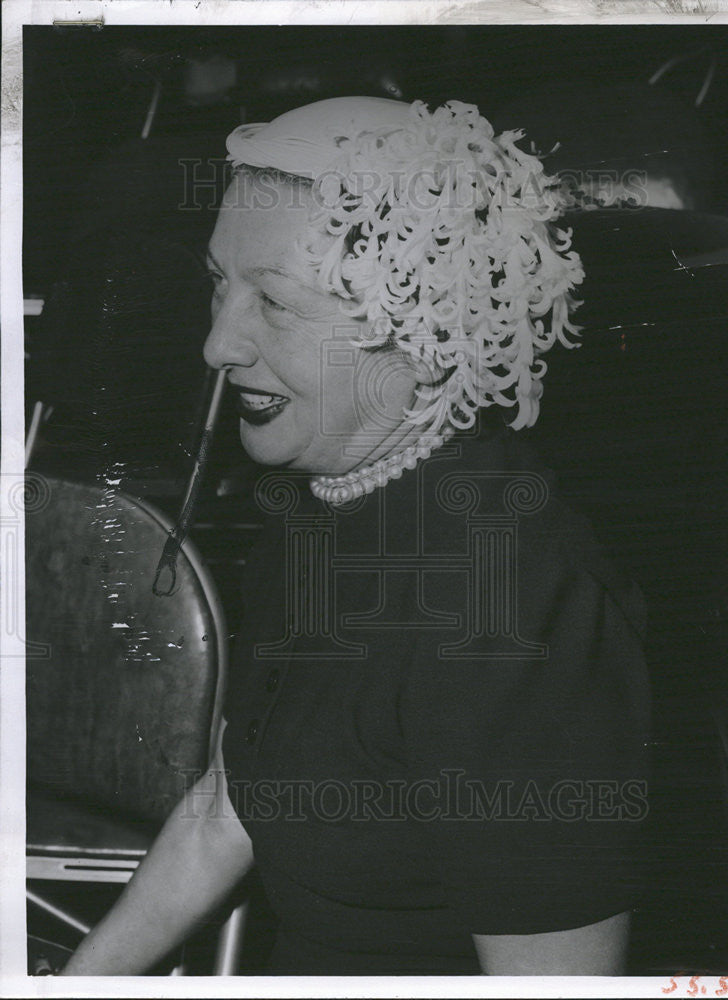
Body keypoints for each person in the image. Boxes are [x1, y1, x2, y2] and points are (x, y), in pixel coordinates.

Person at [62, 96, 651, 976]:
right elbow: (233, 800)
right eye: (222, 283)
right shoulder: (322, 504)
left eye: (278, 304)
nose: (219, 344)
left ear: (421, 331)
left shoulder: (515, 616)